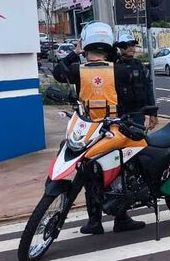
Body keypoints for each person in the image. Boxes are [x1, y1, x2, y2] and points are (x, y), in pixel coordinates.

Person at [52, 22, 158, 235]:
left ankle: (94, 222)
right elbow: (134, 95)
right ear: (109, 48)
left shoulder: (76, 70)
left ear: (86, 47)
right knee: (119, 169)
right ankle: (121, 218)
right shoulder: (120, 71)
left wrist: (74, 53)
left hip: (87, 130)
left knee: (89, 173)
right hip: (113, 129)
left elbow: (58, 71)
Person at [113, 29, 159, 131]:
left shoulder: (140, 66)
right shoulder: (113, 65)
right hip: (118, 113)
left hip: (137, 113)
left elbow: (148, 89)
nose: (130, 48)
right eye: (126, 45)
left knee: (138, 142)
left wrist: (153, 113)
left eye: (132, 45)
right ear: (120, 47)